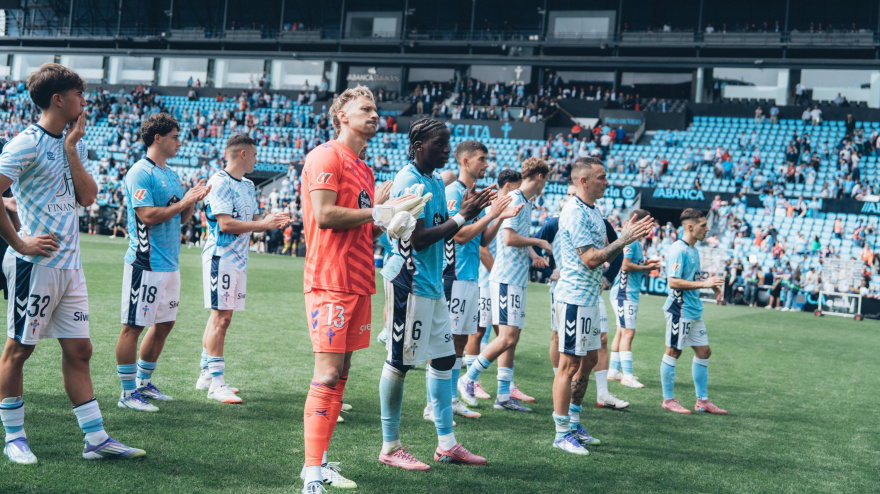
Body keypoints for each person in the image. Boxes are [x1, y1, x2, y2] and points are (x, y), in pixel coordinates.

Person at [0, 63, 144, 463]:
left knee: (80, 350)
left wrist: (71, 150)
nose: (85, 100)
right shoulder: (24, 144)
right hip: (36, 266)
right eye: (79, 94)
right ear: (58, 99)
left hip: (70, 267)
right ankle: (14, 437)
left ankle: (95, 439)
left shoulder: (69, 141)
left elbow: (87, 198)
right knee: (19, 350)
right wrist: (19, 241)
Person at [299, 85, 414, 492]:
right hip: (330, 279)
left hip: (359, 279)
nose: (374, 114)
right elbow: (325, 215)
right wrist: (377, 211)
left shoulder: (364, 168)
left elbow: (365, 219)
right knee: (328, 373)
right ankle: (311, 472)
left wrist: (389, 221)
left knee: (342, 373)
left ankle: (322, 460)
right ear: (342, 115)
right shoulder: (326, 155)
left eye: (375, 109)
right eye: (365, 108)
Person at [379, 118, 494, 471]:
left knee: (445, 360)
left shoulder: (432, 180)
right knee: (399, 363)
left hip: (432, 283)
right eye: (440, 144)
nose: (447, 149)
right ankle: (390, 445)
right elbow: (417, 238)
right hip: (409, 283)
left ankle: (447, 444)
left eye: (448, 143)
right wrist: (463, 217)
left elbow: (441, 233)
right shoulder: (408, 181)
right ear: (418, 146)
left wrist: (465, 216)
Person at [551, 157, 653, 454]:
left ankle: (572, 422)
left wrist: (622, 239)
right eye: (601, 177)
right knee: (568, 365)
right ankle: (561, 433)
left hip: (588, 298)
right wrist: (623, 239)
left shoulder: (593, 211)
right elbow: (590, 258)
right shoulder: (574, 213)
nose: (607, 182)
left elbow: (603, 256)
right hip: (573, 298)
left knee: (591, 359)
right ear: (583, 181)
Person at [115, 113, 211, 412]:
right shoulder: (139, 173)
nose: (179, 143)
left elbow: (179, 218)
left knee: (165, 324)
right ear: (158, 138)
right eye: (174, 137)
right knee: (133, 327)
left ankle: (144, 383)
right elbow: (146, 215)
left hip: (170, 263)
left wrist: (192, 201)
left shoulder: (170, 174)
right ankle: (128, 392)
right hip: (146, 262)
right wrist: (184, 202)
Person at [426, 140, 519, 422]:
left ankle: (451, 399)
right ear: (465, 162)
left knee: (461, 340)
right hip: (452, 277)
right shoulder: (453, 192)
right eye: (481, 159)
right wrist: (491, 213)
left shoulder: (473, 194)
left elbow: (482, 240)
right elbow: (459, 235)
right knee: (446, 342)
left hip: (468, 278)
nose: (486, 164)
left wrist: (500, 217)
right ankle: (433, 405)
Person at [196, 135, 291, 404]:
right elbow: (225, 224)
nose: (257, 159)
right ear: (242, 154)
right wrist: (263, 225)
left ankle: (206, 373)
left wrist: (272, 221)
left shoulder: (248, 185)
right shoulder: (219, 183)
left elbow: (250, 220)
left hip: (238, 259)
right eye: (254, 154)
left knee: (221, 317)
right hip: (220, 257)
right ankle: (216, 383)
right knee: (221, 318)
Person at [460, 157, 551, 412]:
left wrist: (534, 255)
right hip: (506, 277)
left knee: (512, 338)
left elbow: (514, 237)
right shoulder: (515, 199)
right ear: (541, 177)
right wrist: (540, 242)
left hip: (517, 277)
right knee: (506, 336)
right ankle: (468, 378)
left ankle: (503, 395)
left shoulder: (525, 201)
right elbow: (509, 239)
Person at [461, 170, 522, 405]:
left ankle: (506, 388)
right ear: (508, 186)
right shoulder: (490, 207)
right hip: (487, 280)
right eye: (517, 187)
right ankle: (472, 382)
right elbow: (482, 248)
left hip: (495, 279)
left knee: (506, 335)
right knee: (479, 329)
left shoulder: (509, 208)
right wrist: (499, 273)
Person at [660, 209, 727, 415]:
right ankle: (668, 400)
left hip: (693, 309)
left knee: (704, 352)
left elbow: (692, 279)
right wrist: (704, 283)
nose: (707, 229)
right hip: (680, 309)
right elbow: (673, 281)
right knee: (673, 351)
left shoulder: (693, 250)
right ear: (690, 227)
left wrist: (708, 285)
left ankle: (702, 401)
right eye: (703, 226)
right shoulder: (678, 249)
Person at [607, 209, 661, 388]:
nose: (650, 228)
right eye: (648, 224)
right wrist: (646, 268)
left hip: (626, 293)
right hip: (624, 293)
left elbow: (632, 263)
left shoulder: (633, 240)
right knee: (628, 332)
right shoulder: (630, 239)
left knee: (622, 331)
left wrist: (647, 265)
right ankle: (628, 376)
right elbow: (625, 265)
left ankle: (614, 370)